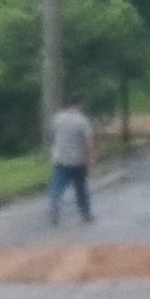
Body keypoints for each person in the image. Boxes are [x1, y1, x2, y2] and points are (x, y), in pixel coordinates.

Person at [47, 96, 95, 225]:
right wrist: (90, 157)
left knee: (57, 185)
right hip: (78, 160)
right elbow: (88, 141)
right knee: (80, 188)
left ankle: (54, 206)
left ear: (67, 105)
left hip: (61, 159)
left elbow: (53, 135)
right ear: (79, 105)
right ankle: (85, 213)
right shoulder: (82, 121)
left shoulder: (57, 119)